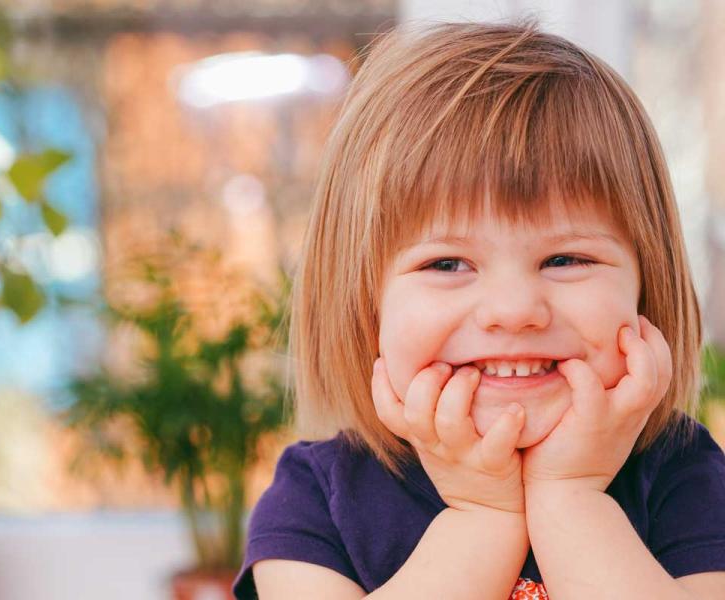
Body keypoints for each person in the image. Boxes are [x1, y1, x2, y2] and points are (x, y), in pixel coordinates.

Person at [232, 19, 725, 599]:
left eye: (565, 258)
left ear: (648, 286)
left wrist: (571, 496)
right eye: (447, 264)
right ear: (365, 305)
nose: (515, 311)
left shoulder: (684, 473)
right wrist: (480, 517)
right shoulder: (314, 498)